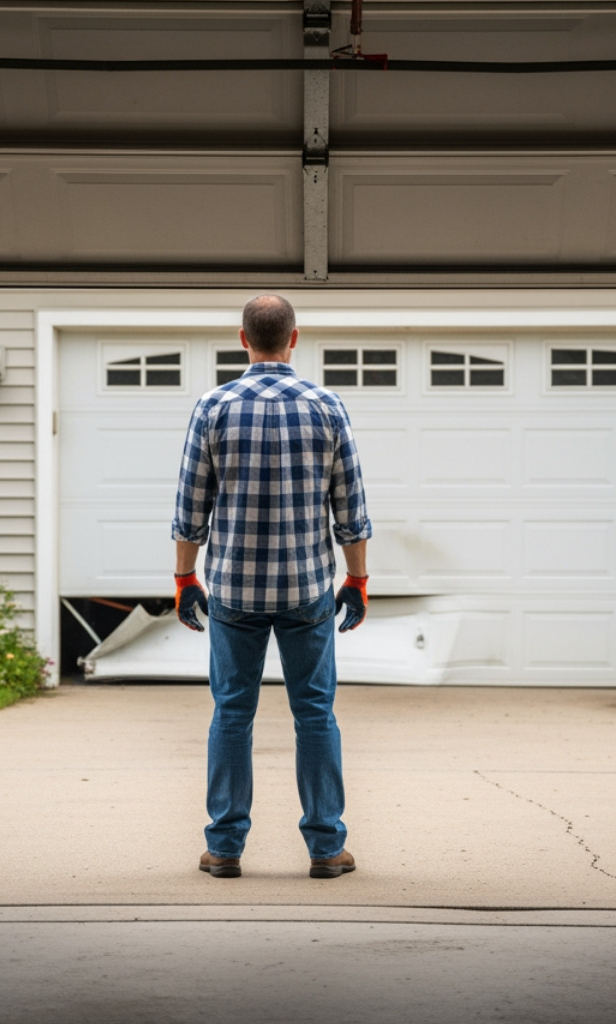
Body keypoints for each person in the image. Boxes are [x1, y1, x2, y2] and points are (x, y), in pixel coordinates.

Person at [170, 294, 372, 880]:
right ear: (294, 338)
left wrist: (185, 577)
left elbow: (191, 507)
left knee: (232, 712)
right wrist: (356, 579)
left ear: (242, 339)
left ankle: (224, 848)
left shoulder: (213, 406)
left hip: (234, 589)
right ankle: (326, 849)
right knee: (315, 713)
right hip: (307, 588)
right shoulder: (326, 406)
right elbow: (350, 507)